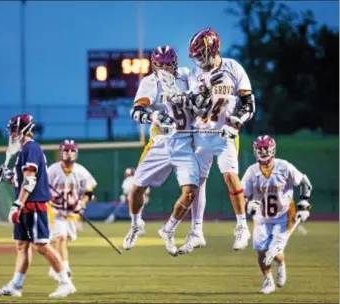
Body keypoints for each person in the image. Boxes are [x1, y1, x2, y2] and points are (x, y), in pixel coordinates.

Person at [124, 45, 222, 256]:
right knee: (136, 188)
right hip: (160, 142)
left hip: (185, 141)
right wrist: (153, 116)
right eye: (162, 64)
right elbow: (136, 110)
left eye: (169, 63)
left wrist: (198, 93)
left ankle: (168, 230)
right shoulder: (150, 83)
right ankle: (135, 224)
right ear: (155, 65)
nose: (166, 68)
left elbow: (201, 101)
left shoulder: (187, 76)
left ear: (175, 63)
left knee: (190, 194)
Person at [176, 28, 256, 254]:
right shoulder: (194, 75)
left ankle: (242, 227)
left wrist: (236, 123)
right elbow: (191, 108)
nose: (199, 59)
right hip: (201, 135)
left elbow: (249, 103)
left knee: (230, 177)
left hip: (224, 134)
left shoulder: (233, 67)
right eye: (196, 55)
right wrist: (201, 94)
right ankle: (196, 232)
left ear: (214, 49)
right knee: (195, 184)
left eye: (202, 54)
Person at [0, 114, 76, 298]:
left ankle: (65, 282)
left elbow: (30, 180)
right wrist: (7, 175)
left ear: (23, 130)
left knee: (41, 245)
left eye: (14, 129)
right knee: (22, 245)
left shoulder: (31, 148)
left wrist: (17, 204)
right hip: (25, 205)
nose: (11, 134)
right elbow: (21, 177)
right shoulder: (24, 151)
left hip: (33, 205)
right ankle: (16, 285)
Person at [242, 135, 312, 294]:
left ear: (272, 149)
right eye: (260, 149)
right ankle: (268, 281)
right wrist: (248, 203)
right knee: (261, 251)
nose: (263, 151)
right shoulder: (252, 171)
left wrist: (303, 206)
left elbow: (305, 183)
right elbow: (241, 194)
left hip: (284, 216)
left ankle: (280, 264)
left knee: (273, 251)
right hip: (261, 217)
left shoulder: (284, 167)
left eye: (265, 148)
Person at [47, 139, 97, 280]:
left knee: (64, 239)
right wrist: (52, 198)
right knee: (60, 237)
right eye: (66, 150)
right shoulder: (52, 170)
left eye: (72, 150)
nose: (69, 153)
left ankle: (55, 266)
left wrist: (81, 203)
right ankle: (64, 269)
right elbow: (42, 189)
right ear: (61, 152)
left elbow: (89, 193)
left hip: (71, 213)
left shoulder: (81, 171)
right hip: (55, 210)